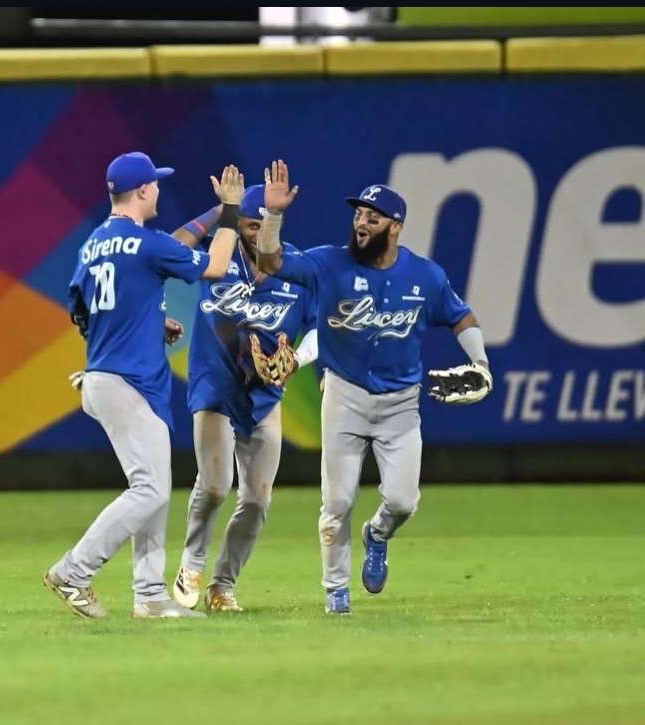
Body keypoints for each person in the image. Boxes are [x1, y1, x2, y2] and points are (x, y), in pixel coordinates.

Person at [255, 161, 494, 615]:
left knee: (404, 501)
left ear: (395, 227)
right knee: (337, 501)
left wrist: (480, 361)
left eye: (373, 217)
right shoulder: (329, 263)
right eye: (359, 214)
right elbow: (271, 260)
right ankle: (335, 593)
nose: (361, 223)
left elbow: (460, 315)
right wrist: (273, 216)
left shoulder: (425, 276)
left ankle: (377, 534)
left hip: (402, 402)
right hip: (344, 394)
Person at [43, 152, 246, 620]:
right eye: (154, 183)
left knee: (153, 485)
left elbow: (82, 311)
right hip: (127, 381)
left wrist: (148, 322)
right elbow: (215, 265)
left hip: (107, 375)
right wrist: (231, 211)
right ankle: (74, 570)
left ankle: (151, 596)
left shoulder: (94, 243)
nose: (158, 189)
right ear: (141, 192)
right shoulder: (146, 243)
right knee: (151, 489)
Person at [168, 184, 320, 613]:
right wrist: (222, 211)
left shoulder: (296, 269)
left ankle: (223, 587)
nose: (254, 233)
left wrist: (297, 360)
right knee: (215, 488)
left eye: (262, 224)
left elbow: (326, 327)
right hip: (216, 384)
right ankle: (191, 563)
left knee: (257, 500)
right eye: (247, 224)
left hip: (265, 394)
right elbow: (175, 246)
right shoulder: (219, 259)